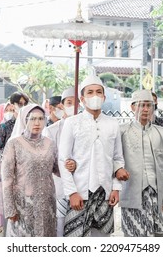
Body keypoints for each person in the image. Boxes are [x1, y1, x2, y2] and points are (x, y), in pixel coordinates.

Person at [58, 75, 128, 237]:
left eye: (98, 92)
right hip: (79, 193)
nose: (95, 95)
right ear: (82, 99)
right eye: (90, 92)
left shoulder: (113, 124)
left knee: (102, 238)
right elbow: (63, 160)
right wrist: (72, 193)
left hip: (105, 192)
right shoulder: (72, 123)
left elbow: (117, 159)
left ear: (104, 97)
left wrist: (116, 188)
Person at [118, 89, 163, 237]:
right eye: (141, 105)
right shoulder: (121, 131)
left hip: (155, 194)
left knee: (155, 236)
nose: (146, 109)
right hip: (131, 193)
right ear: (133, 107)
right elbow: (114, 159)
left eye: (149, 105)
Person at [1, 104, 59, 237]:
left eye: (41, 118)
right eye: (32, 119)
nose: (37, 123)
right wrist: (10, 208)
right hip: (24, 205)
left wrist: (71, 165)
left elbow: (56, 169)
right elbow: (7, 178)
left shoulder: (50, 144)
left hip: (47, 204)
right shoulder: (14, 144)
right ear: (24, 120)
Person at [0, 91, 29, 234]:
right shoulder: (4, 127)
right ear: (12, 105)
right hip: (10, 173)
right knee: (10, 203)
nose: (23, 106)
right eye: (19, 103)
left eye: (25, 103)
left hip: (28, 174)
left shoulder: (32, 125)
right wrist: (9, 161)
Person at [43, 86, 77, 236]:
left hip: (82, 184)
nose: (73, 106)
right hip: (60, 184)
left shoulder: (87, 127)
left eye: (76, 102)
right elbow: (47, 160)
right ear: (62, 106)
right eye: (69, 102)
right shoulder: (51, 130)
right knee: (61, 225)